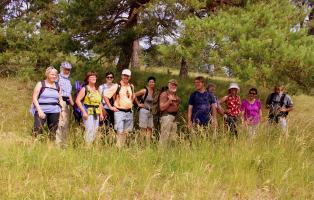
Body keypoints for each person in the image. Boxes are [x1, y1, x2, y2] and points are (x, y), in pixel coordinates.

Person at [103, 69, 136, 148]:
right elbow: (105, 96)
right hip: (119, 112)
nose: (125, 77)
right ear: (121, 76)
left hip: (129, 112)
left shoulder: (131, 86)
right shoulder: (117, 86)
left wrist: (130, 103)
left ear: (130, 77)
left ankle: (123, 147)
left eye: (127, 76)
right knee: (119, 131)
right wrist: (111, 107)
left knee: (126, 132)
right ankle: (118, 149)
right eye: (124, 75)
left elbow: (132, 97)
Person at [31, 67, 63, 140]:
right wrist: (39, 111)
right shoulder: (41, 84)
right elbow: (34, 98)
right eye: (52, 74)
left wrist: (62, 112)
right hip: (41, 109)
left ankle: (50, 147)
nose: (54, 76)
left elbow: (60, 99)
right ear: (47, 74)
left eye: (55, 75)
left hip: (55, 111)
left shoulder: (58, 86)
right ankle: (34, 146)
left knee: (53, 131)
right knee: (37, 129)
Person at [75, 71, 104, 145]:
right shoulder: (85, 89)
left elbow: (99, 103)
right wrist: (83, 112)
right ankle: (87, 148)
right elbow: (77, 101)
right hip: (88, 112)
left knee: (94, 131)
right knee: (89, 131)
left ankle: (90, 148)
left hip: (96, 113)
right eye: (91, 77)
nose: (93, 78)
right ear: (88, 79)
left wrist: (101, 114)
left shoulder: (97, 90)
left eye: (95, 77)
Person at [56, 61, 74, 147]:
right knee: (60, 123)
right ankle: (58, 143)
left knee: (66, 123)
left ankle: (64, 144)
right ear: (62, 69)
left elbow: (69, 92)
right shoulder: (57, 77)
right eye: (66, 69)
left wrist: (72, 103)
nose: (67, 71)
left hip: (67, 103)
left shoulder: (68, 80)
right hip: (60, 101)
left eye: (69, 70)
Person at [159, 79, 180, 146]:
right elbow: (161, 108)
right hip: (166, 117)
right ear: (168, 85)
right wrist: (169, 101)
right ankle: (161, 154)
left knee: (172, 139)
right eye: (172, 85)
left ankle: (168, 154)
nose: (173, 86)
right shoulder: (164, 94)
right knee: (164, 138)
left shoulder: (177, 97)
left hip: (174, 118)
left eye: (175, 85)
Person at [135, 76, 156, 143]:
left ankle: (148, 144)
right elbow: (134, 95)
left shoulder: (154, 91)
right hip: (143, 111)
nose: (152, 83)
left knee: (150, 128)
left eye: (153, 82)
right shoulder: (144, 90)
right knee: (143, 129)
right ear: (148, 83)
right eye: (150, 82)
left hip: (150, 112)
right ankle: (141, 143)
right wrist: (138, 104)